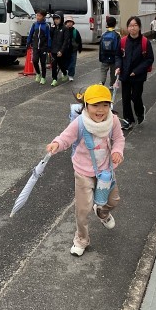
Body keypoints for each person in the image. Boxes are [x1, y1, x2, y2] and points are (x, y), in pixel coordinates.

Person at [46, 84, 125, 257]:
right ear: (86, 105)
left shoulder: (113, 121)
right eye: (95, 105)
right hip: (83, 172)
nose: (101, 110)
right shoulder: (80, 123)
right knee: (83, 209)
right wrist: (56, 144)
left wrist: (117, 151)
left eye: (105, 105)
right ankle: (81, 239)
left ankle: (102, 212)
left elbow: (119, 139)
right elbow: (65, 138)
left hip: (106, 171)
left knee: (113, 201)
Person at [115, 16, 154, 131]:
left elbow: (149, 59)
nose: (133, 28)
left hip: (138, 75)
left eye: (135, 25)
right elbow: (118, 56)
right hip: (125, 74)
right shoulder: (123, 41)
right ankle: (128, 120)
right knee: (125, 98)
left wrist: (136, 71)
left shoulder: (145, 42)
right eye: (130, 26)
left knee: (136, 97)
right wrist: (118, 66)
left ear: (139, 27)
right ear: (127, 27)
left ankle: (140, 111)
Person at [26, 9, 51, 85]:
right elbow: (30, 34)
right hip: (35, 46)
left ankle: (43, 77)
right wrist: (28, 42)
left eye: (39, 16)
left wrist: (49, 46)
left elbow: (49, 37)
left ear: (43, 17)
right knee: (35, 61)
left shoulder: (46, 26)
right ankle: (38, 73)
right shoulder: (34, 24)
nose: (37, 17)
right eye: (37, 15)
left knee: (43, 63)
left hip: (43, 47)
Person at [49, 12, 71, 87]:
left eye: (57, 19)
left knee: (61, 64)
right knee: (54, 65)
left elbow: (66, 41)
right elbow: (50, 37)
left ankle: (64, 73)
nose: (56, 20)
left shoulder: (65, 29)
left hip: (61, 50)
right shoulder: (53, 28)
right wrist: (51, 28)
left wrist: (61, 51)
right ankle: (54, 79)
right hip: (53, 50)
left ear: (61, 19)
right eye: (54, 19)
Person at [98, 16, 120, 88]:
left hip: (104, 56)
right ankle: (112, 85)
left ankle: (101, 82)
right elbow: (119, 47)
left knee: (103, 70)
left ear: (107, 24)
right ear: (115, 24)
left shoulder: (104, 34)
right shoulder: (117, 35)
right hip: (114, 57)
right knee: (113, 71)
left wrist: (100, 57)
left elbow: (101, 47)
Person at [65, 17, 83, 81]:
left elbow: (79, 40)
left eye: (71, 22)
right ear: (66, 23)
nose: (69, 23)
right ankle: (65, 71)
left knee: (72, 63)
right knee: (65, 62)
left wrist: (79, 48)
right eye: (68, 22)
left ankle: (71, 75)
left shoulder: (75, 31)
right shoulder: (64, 30)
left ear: (73, 23)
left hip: (73, 50)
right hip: (65, 50)